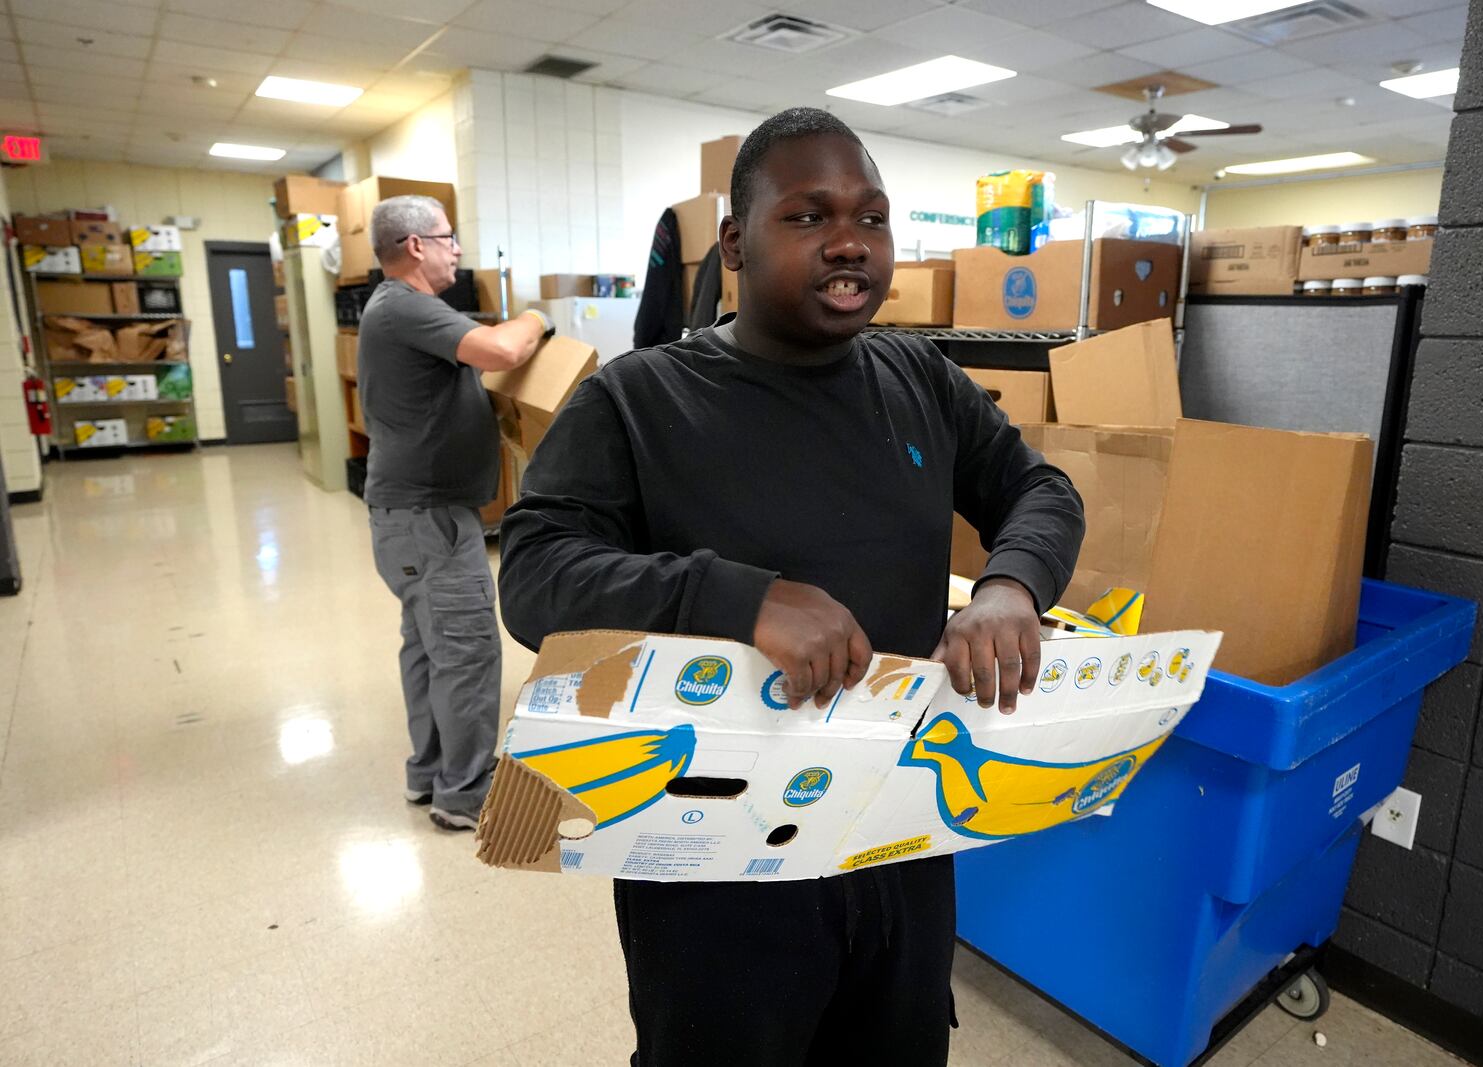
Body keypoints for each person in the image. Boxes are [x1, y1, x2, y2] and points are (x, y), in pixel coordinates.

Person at [496, 110, 1085, 1063]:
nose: (851, 242)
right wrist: (739, 599)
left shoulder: (919, 378)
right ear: (735, 242)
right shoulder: (640, 400)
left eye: (873, 218)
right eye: (808, 217)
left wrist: (1010, 587)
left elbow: (1037, 487)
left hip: (899, 838)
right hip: (713, 870)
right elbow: (532, 571)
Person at [358, 194, 553, 833]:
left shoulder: (401, 311)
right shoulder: (404, 307)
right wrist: (536, 315)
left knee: (429, 649)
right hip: (430, 519)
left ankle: (431, 774)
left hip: (411, 516)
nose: (457, 249)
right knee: (466, 651)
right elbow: (501, 351)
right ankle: (466, 794)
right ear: (415, 246)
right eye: (448, 238)